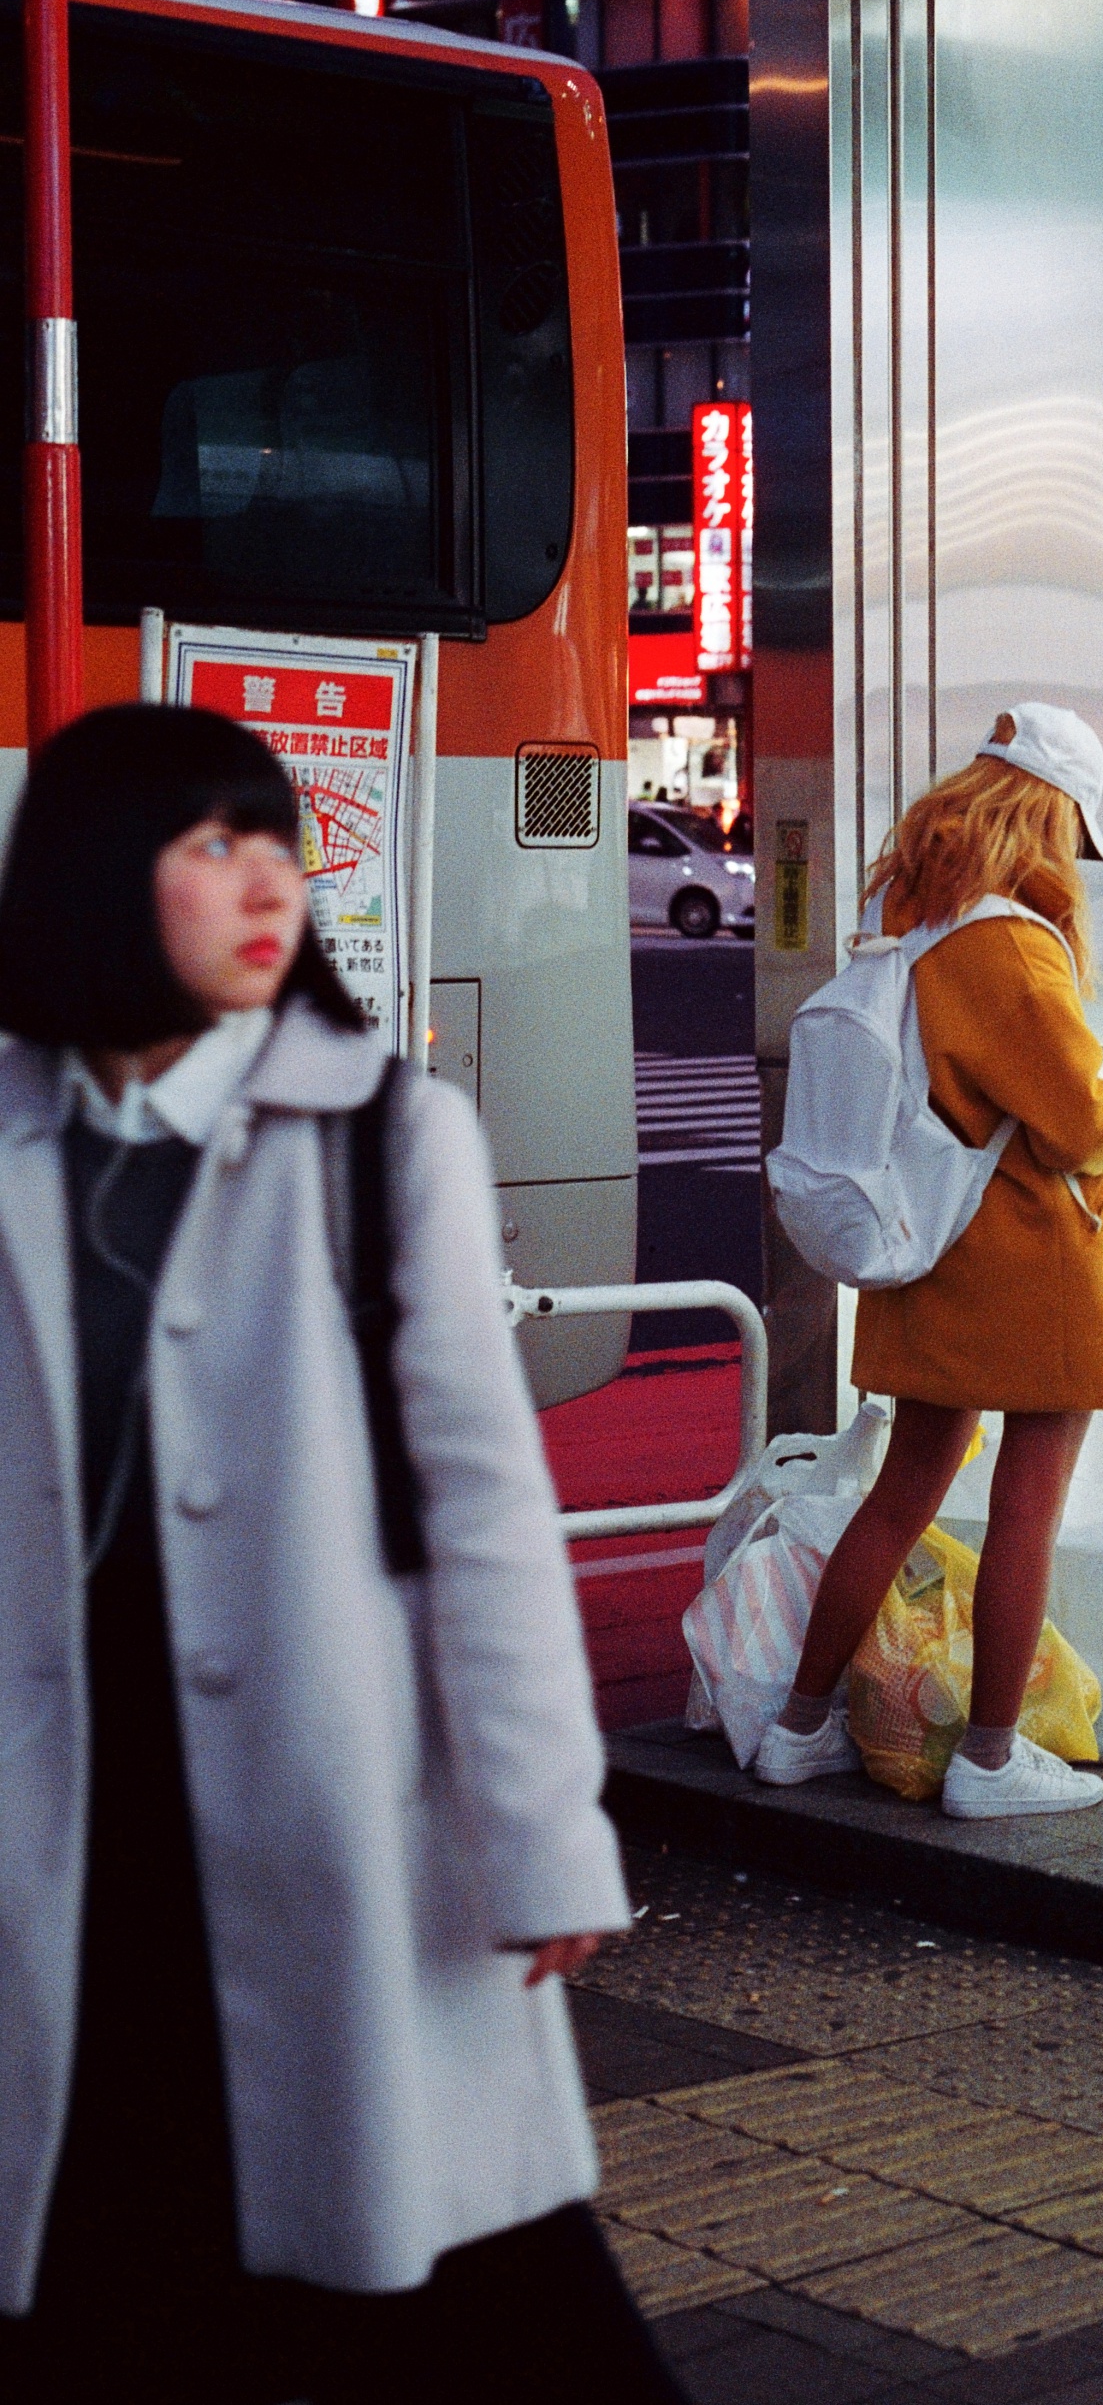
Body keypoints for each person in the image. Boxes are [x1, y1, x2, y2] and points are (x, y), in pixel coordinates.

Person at [0, 705, 668, 2405]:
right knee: (107, 2239)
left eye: (278, 841)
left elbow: (486, 1517)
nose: (268, 886)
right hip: (60, 1799)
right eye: (211, 844)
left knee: (441, 2262)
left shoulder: (384, 1134)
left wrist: (541, 1837)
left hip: (336, 1797)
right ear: (89, 877)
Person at [756, 703, 1103, 1819]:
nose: (1072, 865)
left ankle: (795, 1728)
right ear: (1046, 817)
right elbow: (1075, 1125)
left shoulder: (901, 912)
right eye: (1072, 838)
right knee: (1029, 1503)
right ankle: (991, 1758)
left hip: (927, 1247)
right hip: (1031, 1263)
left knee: (898, 1497)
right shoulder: (1009, 943)